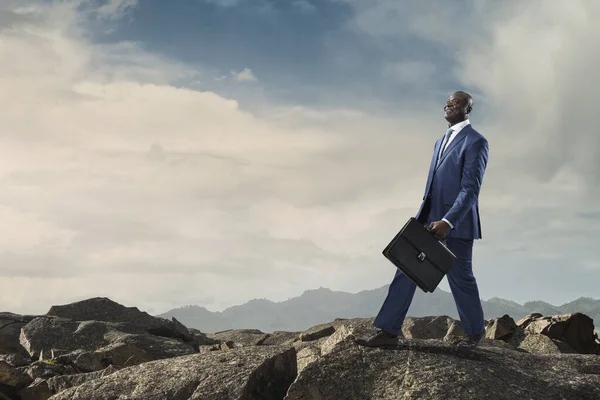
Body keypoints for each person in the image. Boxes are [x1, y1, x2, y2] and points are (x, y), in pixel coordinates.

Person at [357, 91, 489, 348]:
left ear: (468, 109)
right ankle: (388, 332)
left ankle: (475, 333)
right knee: (405, 268)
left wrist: (448, 222)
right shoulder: (440, 142)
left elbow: (470, 189)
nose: (449, 103)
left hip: (455, 225)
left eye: (456, 101)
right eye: (448, 101)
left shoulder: (476, 142)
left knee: (460, 278)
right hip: (426, 221)